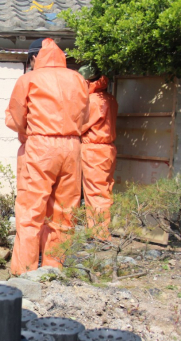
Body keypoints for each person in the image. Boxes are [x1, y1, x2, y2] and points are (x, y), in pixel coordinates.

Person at [6, 38, 89, 274]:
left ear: (34, 57)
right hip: (72, 146)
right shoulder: (78, 79)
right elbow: (86, 116)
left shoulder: (28, 79)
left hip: (41, 146)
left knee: (30, 211)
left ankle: (24, 272)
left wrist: (31, 132)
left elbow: (16, 118)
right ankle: (55, 269)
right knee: (64, 212)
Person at [78, 65, 118, 239]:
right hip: (108, 149)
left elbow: (80, 126)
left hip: (94, 150)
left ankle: (99, 235)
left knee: (95, 193)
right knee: (105, 190)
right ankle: (101, 230)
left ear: (87, 81)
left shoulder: (93, 100)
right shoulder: (110, 98)